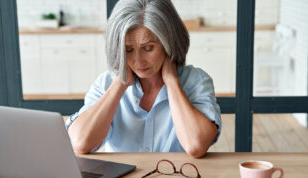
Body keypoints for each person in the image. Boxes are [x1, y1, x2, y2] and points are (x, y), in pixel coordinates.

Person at [66, 0, 221, 158]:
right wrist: (119, 85)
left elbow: (196, 146)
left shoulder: (195, 81)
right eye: (128, 50)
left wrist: (172, 82)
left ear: (169, 43)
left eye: (148, 48)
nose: (138, 61)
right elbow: (81, 142)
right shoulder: (106, 83)